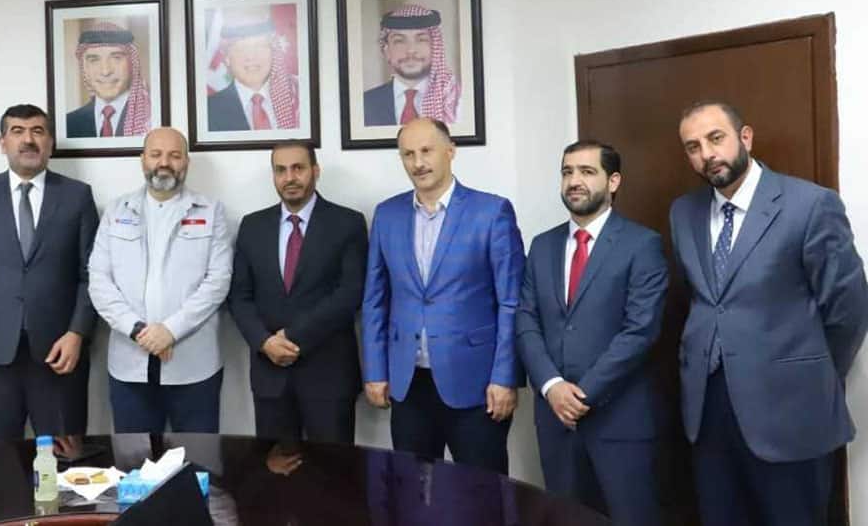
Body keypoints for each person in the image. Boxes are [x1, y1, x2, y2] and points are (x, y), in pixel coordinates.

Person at [671, 101, 868, 526]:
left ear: (745, 137)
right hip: (709, 411)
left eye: (716, 138)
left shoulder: (809, 205)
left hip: (790, 409)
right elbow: (704, 299)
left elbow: (849, 308)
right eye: (693, 146)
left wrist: (811, 371)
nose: (707, 154)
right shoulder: (683, 213)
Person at [515, 141, 667, 525]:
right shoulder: (542, 245)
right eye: (567, 172)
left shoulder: (642, 244)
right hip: (556, 423)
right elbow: (526, 321)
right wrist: (552, 387)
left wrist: (581, 396)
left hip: (620, 422)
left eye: (586, 171)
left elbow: (640, 331)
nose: (574, 181)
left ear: (613, 181)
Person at [361, 118, 523, 472]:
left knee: (483, 491)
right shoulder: (386, 215)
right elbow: (375, 299)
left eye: (426, 151)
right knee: (413, 489)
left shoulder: (491, 212)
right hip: (408, 382)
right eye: (408, 154)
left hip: (477, 382)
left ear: (450, 151)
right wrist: (375, 370)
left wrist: (505, 376)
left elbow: (512, 302)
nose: (418, 162)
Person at [0, 104, 100, 442]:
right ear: (3, 142)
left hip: (59, 353)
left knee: (64, 457)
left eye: (37, 131)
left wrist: (77, 333)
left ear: (50, 142)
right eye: (17, 131)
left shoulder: (77, 196)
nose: (28, 140)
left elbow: (92, 275)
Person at [88, 127, 232, 433]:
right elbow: (99, 280)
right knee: (134, 456)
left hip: (193, 364)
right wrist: (138, 330)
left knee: (198, 456)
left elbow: (218, 281)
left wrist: (170, 330)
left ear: (186, 162)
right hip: (129, 361)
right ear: (143, 160)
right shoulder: (116, 211)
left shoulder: (211, 212)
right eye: (156, 154)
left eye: (174, 155)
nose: (164, 162)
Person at [228, 140, 367, 444]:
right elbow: (239, 296)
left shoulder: (348, 223)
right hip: (269, 373)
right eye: (281, 170)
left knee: (333, 469)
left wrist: (292, 337)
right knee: (274, 468)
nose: (289, 177)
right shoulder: (252, 226)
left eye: (298, 168)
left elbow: (350, 293)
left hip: (329, 374)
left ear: (315, 171)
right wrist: (264, 342)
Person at [362, 4, 461, 127]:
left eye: (421, 40)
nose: (410, 50)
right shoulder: (364, 104)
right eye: (399, 41)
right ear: (386, 51)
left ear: (435, 47)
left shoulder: (454, 101)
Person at [207, 8, 299, 132]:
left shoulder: (298, 98)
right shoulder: (209, 111)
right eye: (241, 48)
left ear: (272, 52)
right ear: (227, 57)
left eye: (260, 46)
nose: (251, 56)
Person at [62, 22, 152, 138]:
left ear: (132, 63)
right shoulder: (68, 123)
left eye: (116, 58)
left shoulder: (151, 118)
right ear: (84, 67)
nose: (105, 71)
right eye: (94, 60)